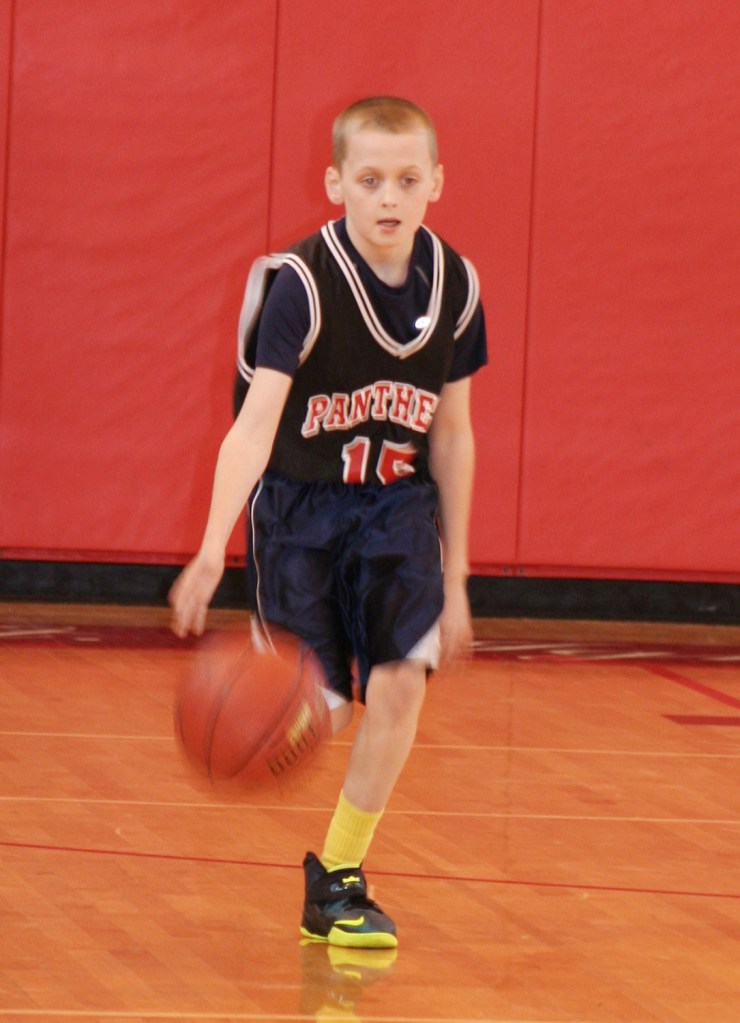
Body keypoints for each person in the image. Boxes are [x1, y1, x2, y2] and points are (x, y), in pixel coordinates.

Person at [170, 96, 487, 949]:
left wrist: (455, 576)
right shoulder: (300, 287)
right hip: (301, 511)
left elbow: (452, 434)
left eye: (408, 179)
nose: (389, 197)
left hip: (395, 508)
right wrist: (209, 550)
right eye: (372, 179)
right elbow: (254, 424)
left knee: (398, 683)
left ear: (436, 185)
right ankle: (325, 824)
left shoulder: (456, 287)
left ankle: (339, 876)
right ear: (336, 182)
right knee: (321, 714)